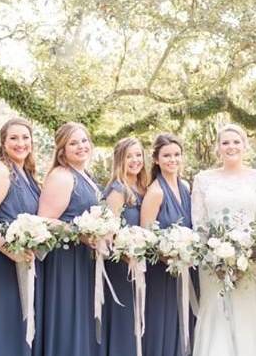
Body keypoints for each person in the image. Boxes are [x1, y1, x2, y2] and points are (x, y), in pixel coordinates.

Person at [191, 123, 256, 356]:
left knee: (248, 312)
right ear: (218, 148)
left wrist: (245, 255)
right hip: (211, 263)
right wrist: (214, 257)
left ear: (245, 145)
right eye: (225, 142)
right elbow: (199, 224)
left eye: (236, 142)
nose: (231, 146)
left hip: (250, 261)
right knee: (216, 313)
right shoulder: (203, 179)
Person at [0, 118, 42, 355]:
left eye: (25, 137)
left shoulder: (28, 173)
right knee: (5, 328)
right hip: (0, 262)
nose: (20, 143)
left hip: (23, 260)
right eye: (13, 138)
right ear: (3, 142)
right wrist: (12, 251)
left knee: (20, 328)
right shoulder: (0, 170)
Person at [38, 122, 101, 356]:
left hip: (84, 259)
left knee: (82, 320)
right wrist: (79, 233)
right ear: (62, 151)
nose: (81, 146)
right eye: (73, 143)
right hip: (66, 261)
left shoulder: (85, 174)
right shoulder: (62, 176)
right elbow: (44, 220)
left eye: (84, 141)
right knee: (68, 318)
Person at [141, 133, 193, 356]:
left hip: (186, 269)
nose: (172, 160)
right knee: (163, 323)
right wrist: (171, 258)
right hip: (162, 272)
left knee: (184, 322)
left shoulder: (185, 186)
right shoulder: (155, 192)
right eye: (166, 156)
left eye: (176, 154)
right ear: (156, 160)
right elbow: (146, 238)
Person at [100, 137, 148, 356]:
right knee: (124, 320)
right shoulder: (118, 190)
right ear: (120, 160)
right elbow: (108, 234)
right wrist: (128, 252)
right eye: (129, 156)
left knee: (137, 320)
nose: (135, 160)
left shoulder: (141, 187)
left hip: (138, 263)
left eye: (138, 155)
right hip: (121, 266)